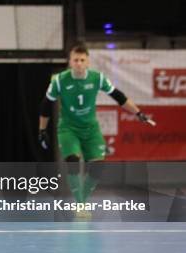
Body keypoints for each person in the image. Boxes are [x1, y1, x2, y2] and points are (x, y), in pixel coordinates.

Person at [38, 43, 154, 211]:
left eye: (82, 60)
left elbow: (118, 96)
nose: (78, 63)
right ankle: (80, 204)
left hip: (91, 128)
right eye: (75, 60)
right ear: (70, 62)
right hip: (68, 128)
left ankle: (82, 200)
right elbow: (45, 105)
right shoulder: (59, 81)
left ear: (88, 62)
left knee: (98, 167)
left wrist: (138, 113)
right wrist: (42, 130)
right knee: (73, 160)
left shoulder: (97, 78)